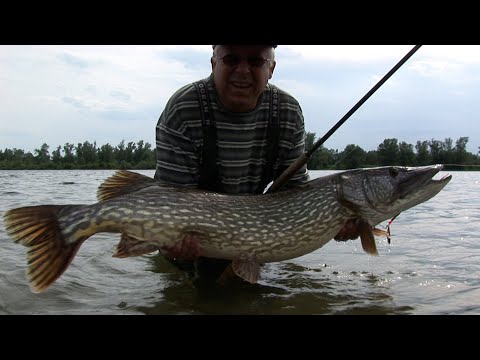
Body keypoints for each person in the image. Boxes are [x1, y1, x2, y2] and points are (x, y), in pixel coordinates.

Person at [154, 45, 310, 284]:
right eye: (231, 59)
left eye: (256, 62)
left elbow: (296, 196)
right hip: (192, 242)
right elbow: (170, 196)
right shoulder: (184, 107)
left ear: (271, 68)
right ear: (214, 63)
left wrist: (343, 222)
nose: (243, 70)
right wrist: (169, 242)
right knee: (187, 294)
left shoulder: (287, 111)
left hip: (255, 240)